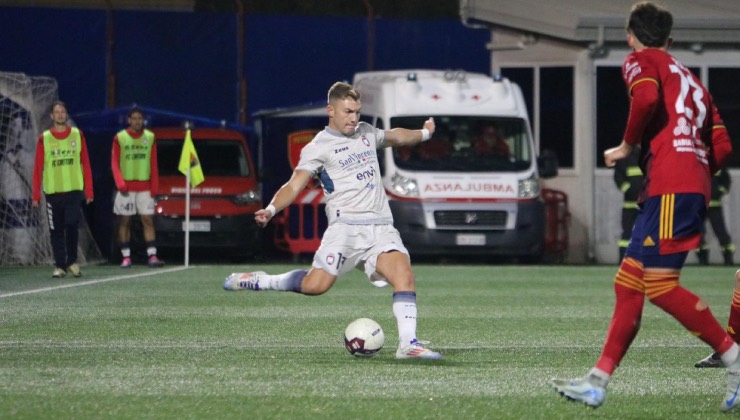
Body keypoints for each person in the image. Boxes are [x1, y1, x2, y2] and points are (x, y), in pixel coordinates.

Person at [550, 2, 738, 412]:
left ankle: (733, 356)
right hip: (676, 187)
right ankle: (598, 381)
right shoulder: (694, 82)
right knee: (629, 283)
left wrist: (629, 145)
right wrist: (695, 168)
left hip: (672, 187)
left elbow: (647, 98)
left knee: (660, 286)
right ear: (670, 40)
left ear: (629, 35)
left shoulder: (640, 60)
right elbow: (722, 147)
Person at [223, 81, 442, 360]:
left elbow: (396, 137)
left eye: (357, 112)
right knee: (316, 286)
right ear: (331, 110)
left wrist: (424, 133)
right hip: (345, 229)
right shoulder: (318, 147)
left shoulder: (365, 132)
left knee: (404, 275)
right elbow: (293, 186)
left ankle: (408, 344)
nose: (354, 118)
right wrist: (271, 209)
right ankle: (259, 281)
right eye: (348, 111)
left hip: (381, 227)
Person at [31, 101, 94, 278]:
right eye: (56, 112)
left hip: (74, 192)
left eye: (63, 111)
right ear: (51, 116)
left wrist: (89, 191)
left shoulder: (77, 135)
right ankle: (60, 266)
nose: (60, 115)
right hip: (53, 194)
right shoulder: (45, 138)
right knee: (56, 231)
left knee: (72, 224)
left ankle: (72, 261)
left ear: (66, 115)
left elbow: (86, 164)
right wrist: (36, 195)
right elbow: (38, 168)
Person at [111, 107, 164, 268]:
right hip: (126, 187)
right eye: (134, 118)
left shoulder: (150, 137)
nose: (137, 121)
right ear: (129, 120)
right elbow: (114, 163)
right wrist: (120, 183)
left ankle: (152, 256)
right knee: (125, 221)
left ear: (143, 120)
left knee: (147, 219)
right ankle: (126, 257)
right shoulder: (120, 137)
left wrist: (155, 186)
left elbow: (154, 164)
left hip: (144, 187)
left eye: (139, 118)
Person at [695, 167, 734, 265]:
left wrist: (719, 192)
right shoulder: (697, 166)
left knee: (721, 233)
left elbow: (726, 182)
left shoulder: (719, 166)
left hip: (715, 206)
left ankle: (728, 260)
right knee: (698, 234)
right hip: (700, 206)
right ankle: (702, 261)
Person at [613, 147, 643, 261]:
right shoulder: (624, 158)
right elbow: (618, 177)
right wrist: (629, 190)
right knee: (627, 235)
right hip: (630, 205)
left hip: (646, 205)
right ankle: (623, 260)